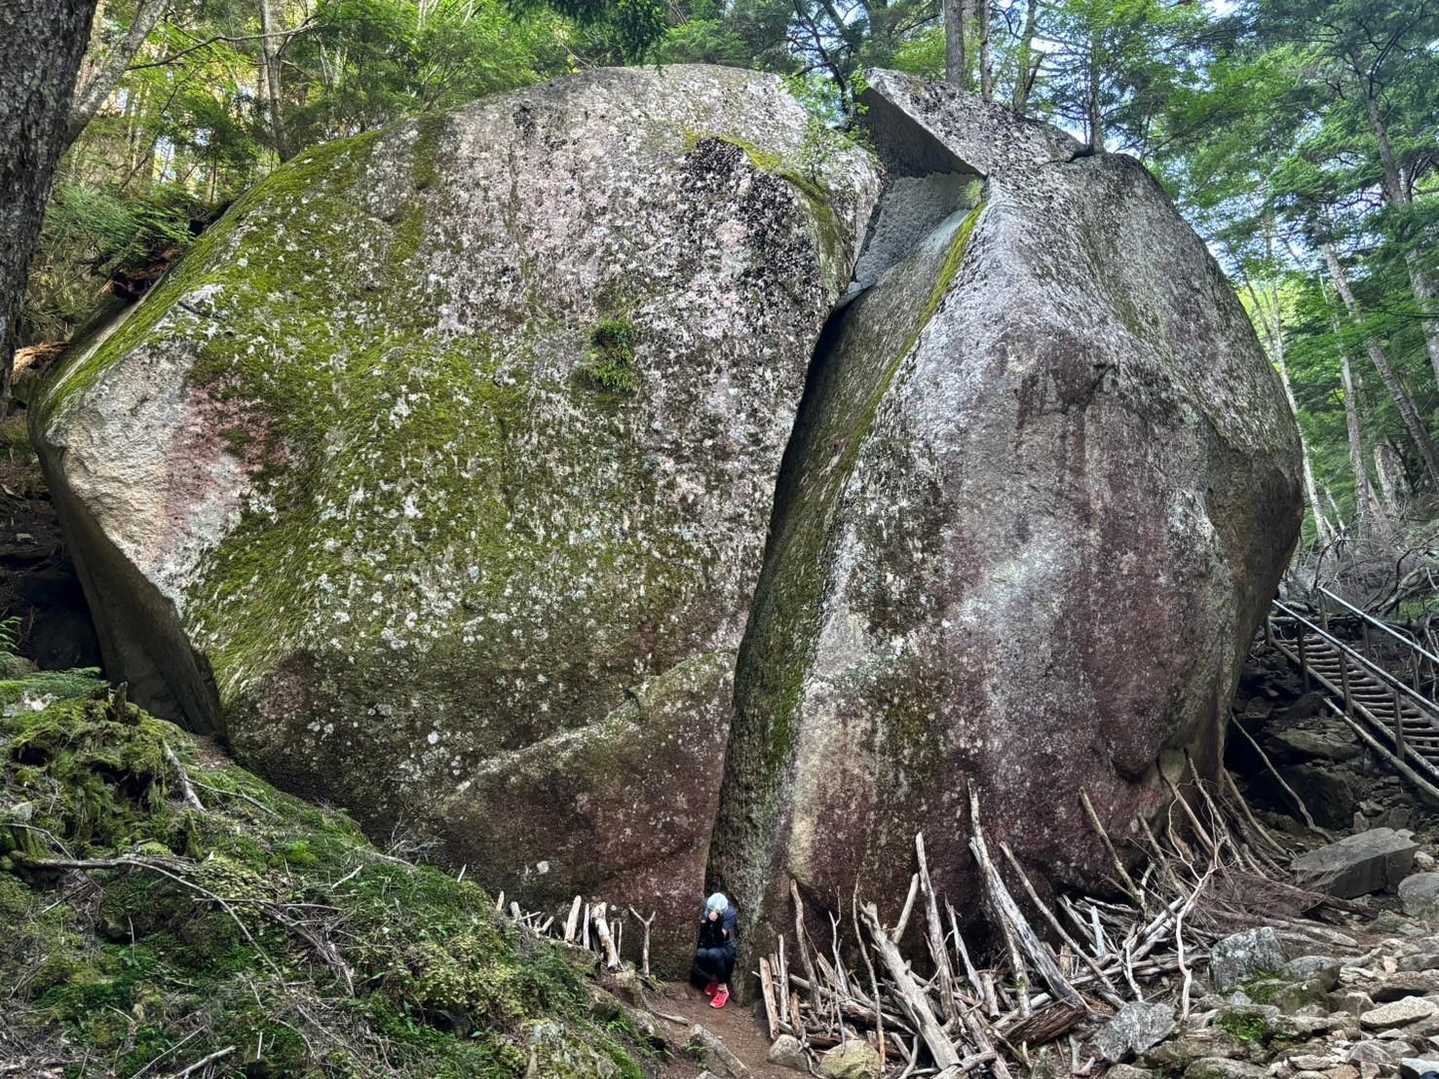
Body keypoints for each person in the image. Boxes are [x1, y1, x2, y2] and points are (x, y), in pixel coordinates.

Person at [694, 891, 738, 1008]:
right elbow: (703, 931)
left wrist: (718, 921)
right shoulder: (707, 906)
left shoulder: (730, 913)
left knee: (713, 954)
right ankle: (714, 980)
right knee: (700, 954)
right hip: (710, 942)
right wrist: (708, 921)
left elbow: (720, 938)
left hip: (726, 947)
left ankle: (722, 988)